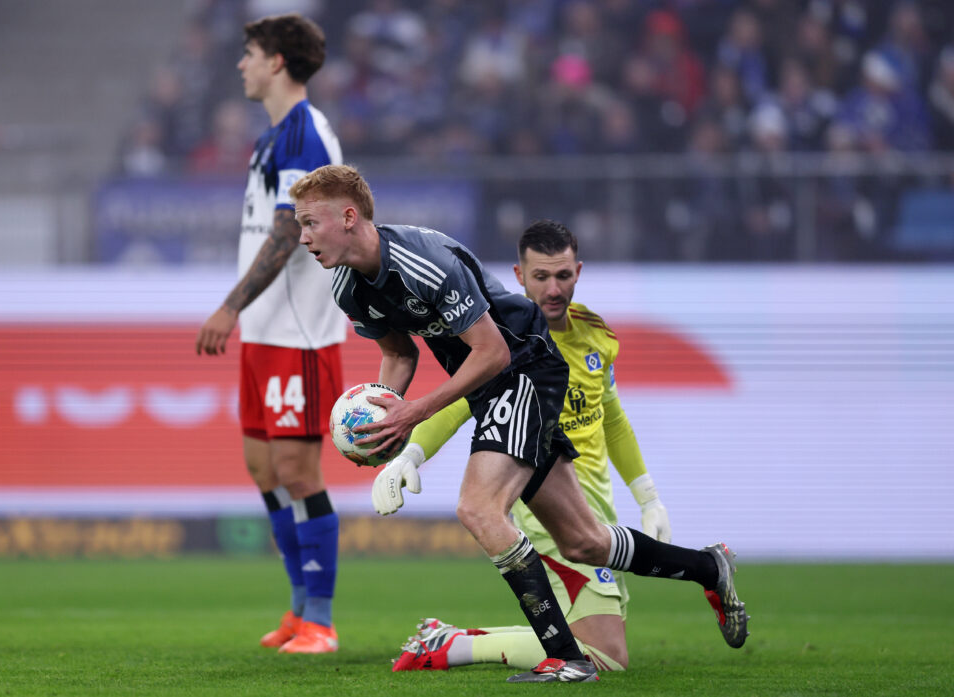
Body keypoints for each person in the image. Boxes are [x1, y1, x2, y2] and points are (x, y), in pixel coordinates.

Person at [290, 164, 749, 683]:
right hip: (496, 380)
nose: (303, 236)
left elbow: (491, 351)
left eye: (309, 222)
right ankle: (710, 568)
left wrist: (414, 414)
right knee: (584, 542)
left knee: (479, 508)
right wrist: (384, 418)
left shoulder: (424, 264)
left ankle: (567, 658)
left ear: (348, 217)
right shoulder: (349, 287)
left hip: (524, 364)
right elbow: (398, 354)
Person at [379, 219, 671, 672]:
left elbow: (610, 418)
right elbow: (457, 408)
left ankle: (452, 640)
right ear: (519, 276)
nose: (553, 289)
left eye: (563, 276)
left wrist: (648, 497)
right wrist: (412, 453)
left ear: (579, 271)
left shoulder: (596, 334)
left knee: (596, 641)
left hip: (593, 508)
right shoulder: (508, 340)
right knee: (607, 655)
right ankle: (452, 645)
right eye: (541, 277)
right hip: (545, 513)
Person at [195, 13, 346, 655]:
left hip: (300, 336)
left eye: (250, 53)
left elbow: (290, 234)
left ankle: (322, 621)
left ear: (278, 61)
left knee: (298, 471)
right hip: (265, 334)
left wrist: (228, 307)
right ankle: (296, 608)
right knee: (262, 468)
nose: (242, 64)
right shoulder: (272, 138)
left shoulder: (306, 136)